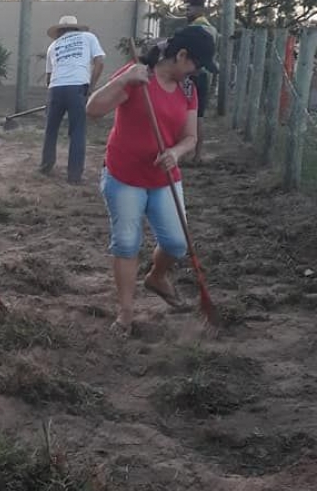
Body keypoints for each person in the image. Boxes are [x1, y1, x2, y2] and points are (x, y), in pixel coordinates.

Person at [85, 26, 217, 335]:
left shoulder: (188, 89)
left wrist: (176, 151)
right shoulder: (138, 74)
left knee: (176, 241)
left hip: (164, 177)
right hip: (124, 175)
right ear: (181, 55)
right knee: (127, 242)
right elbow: (93, 110)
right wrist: (124, 79)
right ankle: (126, 313)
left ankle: (157, 276)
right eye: (196, 65)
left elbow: (190, 137)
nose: (197, 72)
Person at [41, 15, 105, 184]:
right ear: (76, 28)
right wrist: (91, 88)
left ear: (59, 31)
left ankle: (46, 166)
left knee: (51, 130)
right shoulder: (88, 37)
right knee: (77, 131)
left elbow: (48, 78)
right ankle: (74, 176)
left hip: (55, 88)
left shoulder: (53, 46)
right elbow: (99, 63)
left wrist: (54, 96)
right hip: (77, 87)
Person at [185, 0, 219, 163]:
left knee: (185, 115)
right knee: (199, 116)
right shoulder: (212, 29)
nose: (186, 11)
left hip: (190, 74)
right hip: (205, 75)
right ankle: (197, 156)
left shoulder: (193, 29)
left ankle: (184, 154)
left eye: (189, 8)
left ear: (199, 9)